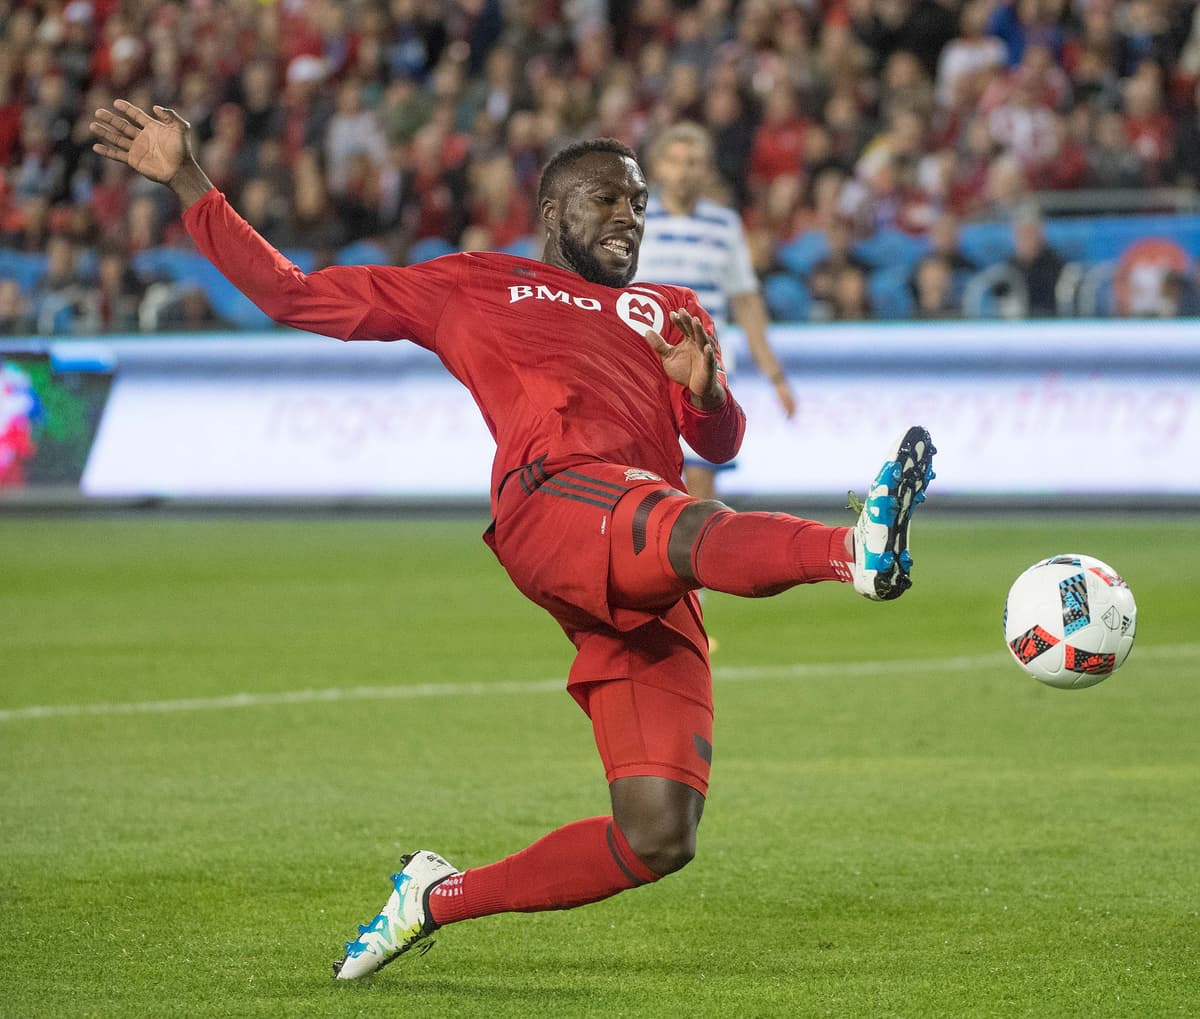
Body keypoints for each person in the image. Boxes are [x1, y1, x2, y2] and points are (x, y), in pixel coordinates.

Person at [91, 99, 936, 982]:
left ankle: (435, 896)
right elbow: (293, 294)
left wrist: (708, 389)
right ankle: (852, 550)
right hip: (555, 500)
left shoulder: (670, 308)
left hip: (646, 547)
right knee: (678, 515)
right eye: (608, 199)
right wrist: (188, 180)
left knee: (657, 833)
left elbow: (719, 444)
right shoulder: (473, 281)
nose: (629, 216)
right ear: (553, 212)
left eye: (639, 203)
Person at [635, 122, 796, 502]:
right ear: (658, 167)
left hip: (705, 365)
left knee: (701, 482)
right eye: (675, 161)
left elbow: (746, 300)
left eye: (692, 162)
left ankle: (697, 543)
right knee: (647, 477)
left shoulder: (724, 225)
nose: (683, 170)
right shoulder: (636, 221)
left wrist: (775, 374)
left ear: (706, 170)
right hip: (645, 364)